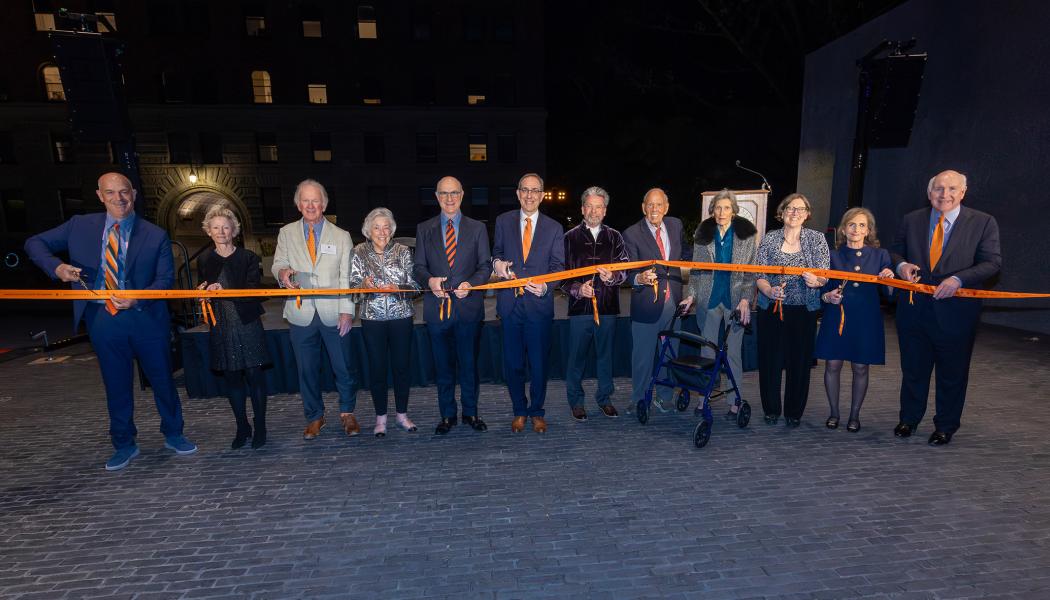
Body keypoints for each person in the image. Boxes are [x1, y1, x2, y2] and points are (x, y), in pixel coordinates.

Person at [24, 172, 197, 471]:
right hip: (103, 319)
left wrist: (138, 298)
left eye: (124, 191)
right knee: (116, 385)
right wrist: (57, 267)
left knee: (163, 382)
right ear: (100, 195)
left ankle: (174, 433)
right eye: (111, 192)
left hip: (146, 320)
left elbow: (166, 281)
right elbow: (34, 243)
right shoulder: (79, 226)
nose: (119, 198)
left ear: (134, 194)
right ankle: (124, 444)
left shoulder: (154, 234)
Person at [890, 169, 1001, 445]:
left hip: (957, 312)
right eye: (939, 189)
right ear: (929, 193)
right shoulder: (911, 219)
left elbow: (992, 263)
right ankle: (909, 419)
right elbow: (894, 251)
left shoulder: (984, 223)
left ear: (963, 193)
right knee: (913, 369)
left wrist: (958, 279)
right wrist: (901, 265)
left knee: (952, 372)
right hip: (914, 311)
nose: (945, 194)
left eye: (952, 189)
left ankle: (945, 426)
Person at [271, 179, 358, 440]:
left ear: (324, 204)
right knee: (306, 369)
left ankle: (347, 413)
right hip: (301, 314)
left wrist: (347, 311)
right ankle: (314, 416)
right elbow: (277, 265)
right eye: (305, 200)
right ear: (298, 204)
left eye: (315, 200)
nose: (311, 205)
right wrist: (283, 272)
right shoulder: (286, 233)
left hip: (334, 313)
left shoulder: (341, 236)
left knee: (343, 367)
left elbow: (347, 277)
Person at [413, 176, 492, 435]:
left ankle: (471, 412)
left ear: (462, 195)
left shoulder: (477, 228)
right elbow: (418, 267)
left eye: (454, 193)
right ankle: (447, 415)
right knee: (443, 366)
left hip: (468, 308)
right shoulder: (424, 228)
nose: (449, 198)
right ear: (436, 197)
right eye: (444, 194)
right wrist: (430, 280)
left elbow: (485, 266)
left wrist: (470, 284)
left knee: (469, 365)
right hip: (437, 310)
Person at [492, 173, 565, 433]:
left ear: (542, 195)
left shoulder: (554, 228)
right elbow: (496, 254)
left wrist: (546, 286)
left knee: (538, 364)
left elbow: (558, 267)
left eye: (535, 190)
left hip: (538, 306)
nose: (529, 195)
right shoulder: (502, 221)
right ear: (518, 193)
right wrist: (497, 265)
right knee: (513, 364)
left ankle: (537, 411)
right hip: (510, 306)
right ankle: (519, 411)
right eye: (525, 190)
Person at [814, 207, 894, 433]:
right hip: (836, 317)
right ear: (843, 229)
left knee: (860, 367)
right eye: (851, 224)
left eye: (861, 225)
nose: (856, 229)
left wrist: (888, 278)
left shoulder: (881, 256)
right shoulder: (832, 255)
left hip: (865, 319)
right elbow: (824, 289)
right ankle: (834, 413)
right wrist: (828, 296)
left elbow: (890, 292)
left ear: (868, 230)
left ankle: (855, 416)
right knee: (832, 364)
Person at [196, 206, 270, 449]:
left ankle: (260, 426)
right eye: (215, 227)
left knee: (254, 377)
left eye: (225, 227)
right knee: (232, 380)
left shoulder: (248, 257)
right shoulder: (205, 259)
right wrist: (202, 293)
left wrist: (223, 291)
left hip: (247, 323)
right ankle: (242, 426)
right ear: (209, 231)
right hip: (221, 326)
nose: (221, 231)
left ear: (234, 230)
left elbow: (253, 290)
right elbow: (202, 286)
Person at [754, 193, 830, 427]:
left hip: (803, 311)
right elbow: (759, 273)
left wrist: (816, 281)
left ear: (807, 214)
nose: (794, 212)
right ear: (782, 212)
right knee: (770, 362)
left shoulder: (817, 239)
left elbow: (825, 274)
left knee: (799, 363)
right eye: (790, 208)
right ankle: (771, 410)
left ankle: (794, 412)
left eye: (800, 209)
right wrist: (768, 291)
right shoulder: (769, 238)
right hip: (771, 310)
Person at [349, 208, 421, 438]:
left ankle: (402, 414)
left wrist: (399, 289)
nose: (382, 231)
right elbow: (352, 291)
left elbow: (417, 288)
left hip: (402, 318)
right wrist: (364, 288)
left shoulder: (403, 251)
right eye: (377, 227)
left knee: (402, 368)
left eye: (386, 227)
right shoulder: (358, 252)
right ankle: (380, 417)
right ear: (368, 230)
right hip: (372, 320)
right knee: (377, 370)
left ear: (392, 230)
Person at [560, 186, 629, 420]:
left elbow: (625, 271)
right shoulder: (569, 238)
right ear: (582, 208)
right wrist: (578, 289)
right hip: (579, 309)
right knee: (576, 358)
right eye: (589, 206)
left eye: (598, 206)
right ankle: (576, 402)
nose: (594, 211)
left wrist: (613, 277)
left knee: (605, 356)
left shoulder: (615, 237)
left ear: (605, 210)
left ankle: (604, 399)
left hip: (608, 308)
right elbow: (560, 277)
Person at [622, 188, 694, 412]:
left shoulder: (675, 225)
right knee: (642, 358)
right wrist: (639, 277)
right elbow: (626, 272)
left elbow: (686, 256)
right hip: (646, 305)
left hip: (674, 304)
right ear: (643, 207)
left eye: (659, 205)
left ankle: (664, 396)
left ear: (666, 207)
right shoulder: (631, 233)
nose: (654, 209)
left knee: (669, 354)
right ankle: (639, 399)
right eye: (650, 205)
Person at [688, 189, 757, 418]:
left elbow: (750, 273)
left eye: (726, 207)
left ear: (733, 210)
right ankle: (703, 397)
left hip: (735, 301)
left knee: (733, 353)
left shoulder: (746, 235)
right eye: (718, 207)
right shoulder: (703, 233)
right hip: (709, 300)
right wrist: (691, 295)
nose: (721, 212)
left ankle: (735, 400)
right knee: (706, 351)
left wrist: (746, 299)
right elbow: (696, 271)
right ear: (712, 210)